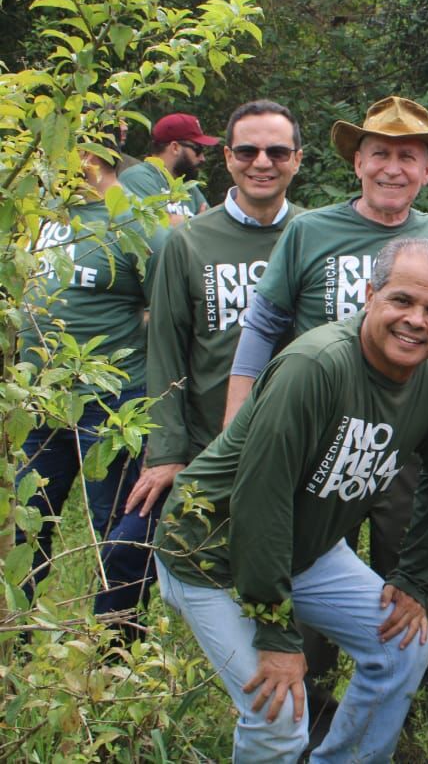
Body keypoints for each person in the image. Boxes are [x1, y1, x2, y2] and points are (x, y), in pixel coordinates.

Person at [153, 237, 428, 763]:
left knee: (404, 647)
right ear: (369, 295)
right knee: (278, 717)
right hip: (210, 550)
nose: (416, 320)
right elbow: (260, 499)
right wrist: (276, 634)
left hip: (305, 547)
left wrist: (416, 577)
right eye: (401, 301)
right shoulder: (314, 366)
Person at [223, 94, 428, 734]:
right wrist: (238, 411)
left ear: (427, 170)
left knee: (396, 573)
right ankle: (309, 695)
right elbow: (266, 321)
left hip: (394, 435)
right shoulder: (311, 229)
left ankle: (402, 696)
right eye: (380, 153)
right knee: (308, 558)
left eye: (407, 156)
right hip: (312, 434)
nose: (393, 167)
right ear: (357, 162)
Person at [108, 101, 304, 618]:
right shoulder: (187, 243)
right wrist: (167, 452)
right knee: (127, 554)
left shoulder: (316, 237)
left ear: (297, 160)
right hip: (203, 445)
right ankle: (109, 669)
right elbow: (166, 349)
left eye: (277, 151)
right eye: (247, 150)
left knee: (302, 574)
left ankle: (307, 691)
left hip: (292, 447)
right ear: (230, 159)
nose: (262, 162)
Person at [17, 128, 166, 626]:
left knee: (117, 531)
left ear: (92, 155)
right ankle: (10, 638)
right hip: (37, 404)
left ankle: (114, 646)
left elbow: (167, 315)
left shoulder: (134, 226)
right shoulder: (39, 216)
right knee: (21, 524)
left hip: (110, 402)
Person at [118, 112, 217, 224]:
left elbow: (211, 228)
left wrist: (179, 222)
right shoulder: (136, 178)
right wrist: (195, 223)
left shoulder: (188, 187)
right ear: (175, 147)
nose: (202, 158)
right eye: (198, 150)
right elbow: (156, 229)